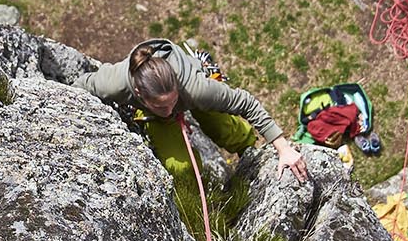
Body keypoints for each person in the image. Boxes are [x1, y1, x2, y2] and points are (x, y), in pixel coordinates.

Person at [83, 39, 308, 231]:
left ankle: (249, 151)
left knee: (226, 130)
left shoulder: (196, 88)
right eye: (162, 106)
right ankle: (197, 212)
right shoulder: (114, 85)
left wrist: (283, 147)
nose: (170, 110)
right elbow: (80, 88)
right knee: (180, 168)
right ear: (139, 94)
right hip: (152, 114)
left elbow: (246, 103)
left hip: (192, 96)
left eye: (172, 103)